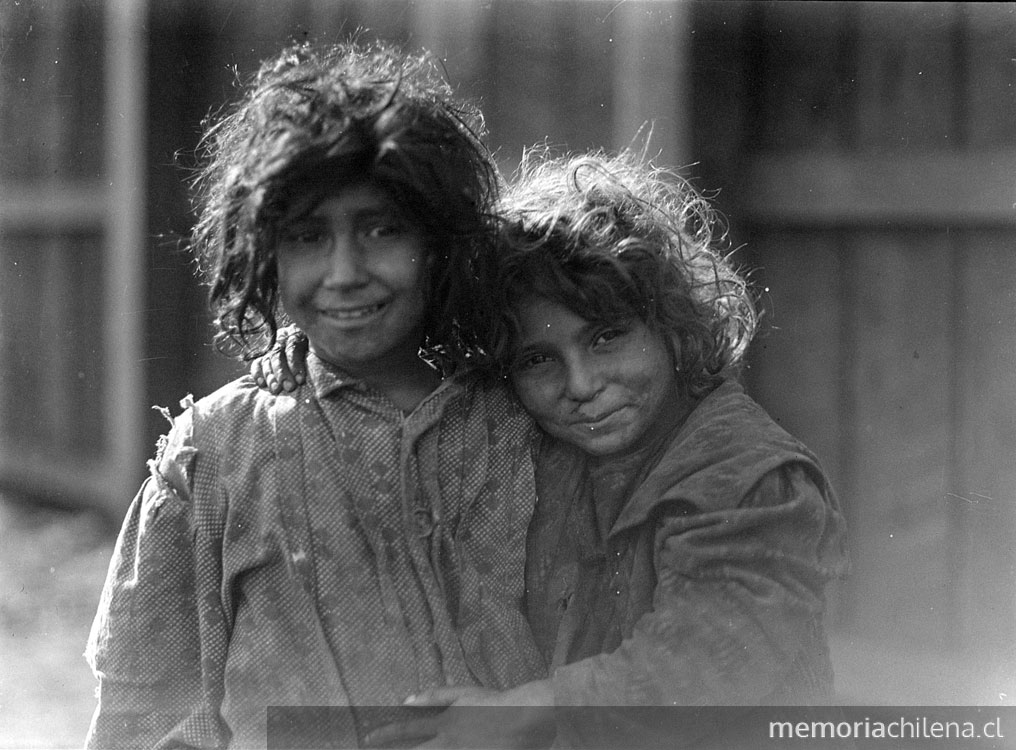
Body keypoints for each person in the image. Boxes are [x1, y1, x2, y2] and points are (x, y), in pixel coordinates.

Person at [258, 149, 849, 748]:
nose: (582, 386)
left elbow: (703, 660)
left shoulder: (749, 473)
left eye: (607, 338)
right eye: (538, 360)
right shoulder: (538, 445)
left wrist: (528, 709)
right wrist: (314, 348)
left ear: (673, 322)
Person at [84, 41, 546, 750]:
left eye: (381, 229)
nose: (345, 273)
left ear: (442, 241)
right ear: (263, 254)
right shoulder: (214, 456)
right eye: (307, 237)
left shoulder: (521, 421)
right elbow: (143, 719)